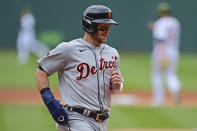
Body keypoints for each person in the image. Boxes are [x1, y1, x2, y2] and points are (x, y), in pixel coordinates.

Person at [35, 5, 123, 131]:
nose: (107, 31)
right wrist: (49, 100)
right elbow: (41, 71)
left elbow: (115, 89)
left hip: (102, 122)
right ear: (90, 26)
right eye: (103, 28)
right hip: (76, 119)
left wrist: (116, 85)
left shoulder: (112, 53)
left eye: (109, 28)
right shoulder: (69, 49)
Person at [148, 2, 181, 106]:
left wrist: (162, 55)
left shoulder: (160, 22)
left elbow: (160, 38)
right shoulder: (175, 22)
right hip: (174, 50)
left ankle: (159, 99)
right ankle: (176, 88)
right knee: (170, 74)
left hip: (162, 50)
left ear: (160, 12)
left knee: (157, 74)